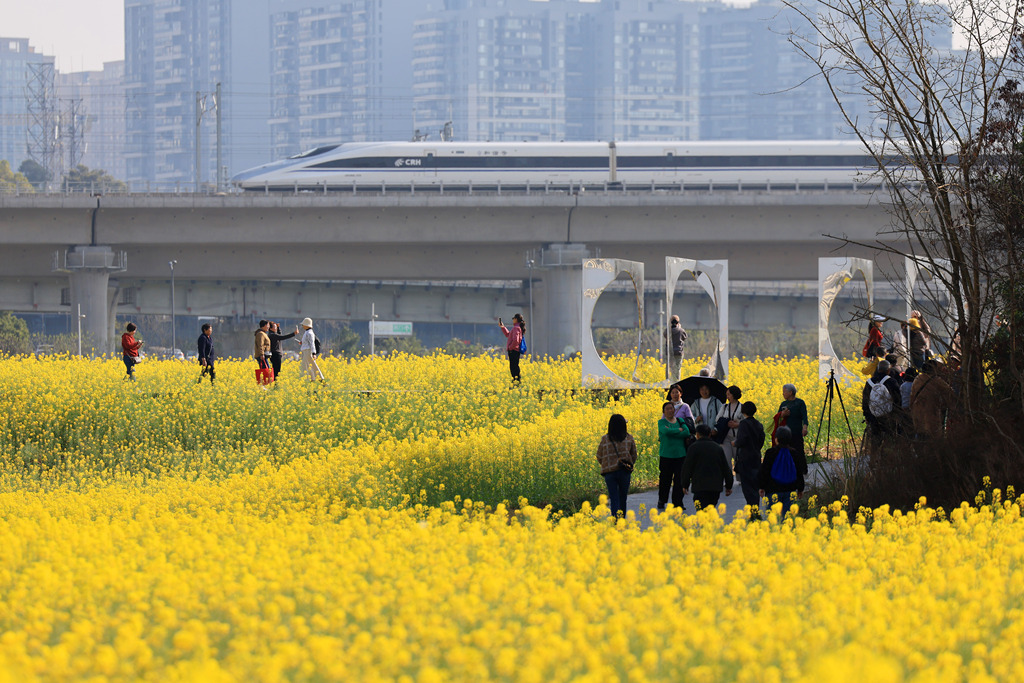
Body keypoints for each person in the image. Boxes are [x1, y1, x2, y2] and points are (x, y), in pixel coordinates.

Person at [681, 424, 733, 512]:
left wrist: (684, 484)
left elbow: (687, 468)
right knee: (710, 511)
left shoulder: (693, 448)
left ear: (697, 435)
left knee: (701, 512)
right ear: (710, 434)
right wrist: (729, 485)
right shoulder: (717, 448)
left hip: (699, 486)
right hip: (715, 487)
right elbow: (725, 468)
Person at [596, 414, 638, 518]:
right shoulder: (629, 438)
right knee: (623, 497)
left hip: (609, 473)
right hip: (624, 471)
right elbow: (634, 455)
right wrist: (628, 464)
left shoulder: (605, 439)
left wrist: (608, 464)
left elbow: (599, 455)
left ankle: (615, 519)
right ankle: (622, 519)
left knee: (614, 497)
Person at [758, 426, 807, 506]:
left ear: (776, 439)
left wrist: (761, 486)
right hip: (790, 490)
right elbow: (798, 472)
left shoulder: (770, 453)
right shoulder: (794, 453)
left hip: (773, 490)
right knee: (788, 517)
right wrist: (800, 488)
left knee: (773, 516)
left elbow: (764, 471)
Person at [862, 359, 902, 455]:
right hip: (889, 417)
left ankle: (873, 462)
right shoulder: (892, 382)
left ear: (878, 369)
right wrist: (896, 415)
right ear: (888, 370)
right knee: (889, 441)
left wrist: (868, 416)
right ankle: (886, 463)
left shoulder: (869, 383)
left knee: (875, 441)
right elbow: (898, 400)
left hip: (873, 417)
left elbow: (865, 402)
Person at [657, 401, 691, 511]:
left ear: (674, 410)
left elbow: (686, 432)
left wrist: (674, 431)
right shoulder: (661, 422)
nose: (670, 411)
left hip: (680, 455)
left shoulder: (680, 420)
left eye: (671, 408)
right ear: (663, 412)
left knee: (679, 480)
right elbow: (665, 432)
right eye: (667, 409)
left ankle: (678, 502)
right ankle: (662, 500)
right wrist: (678, 431)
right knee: (665, 480)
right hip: (666, 455)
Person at [733, 401, 765, 509]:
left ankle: (752, 508)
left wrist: (735, 443)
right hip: (756, 456)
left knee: (747, 486)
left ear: (743, 411)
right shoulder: (759, 424)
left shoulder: (743, 424)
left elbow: (742, 440)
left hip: (745, 458)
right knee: (755, 483)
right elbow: (762, 439)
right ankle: (755, 506)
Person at [910, 361, 955, 438]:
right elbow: (950, 392)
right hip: (931, 413)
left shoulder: (917, 379)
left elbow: (912, 396)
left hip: (917, 412)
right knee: (932, 436)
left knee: (921, 435)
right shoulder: (936, 380)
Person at [776, 384, 809, 463]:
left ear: (790, 392)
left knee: (799, 451)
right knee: (786, 452)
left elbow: (804, 417)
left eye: (784, 391)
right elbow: (777, 418)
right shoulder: (783, 404)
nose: (783, 393)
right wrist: (782, 415)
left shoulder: (800, 403)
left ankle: (802, 470)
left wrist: (805, 428)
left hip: (796, 432)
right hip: (785, 434)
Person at [714, 385, 743, 467]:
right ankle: (728, 479)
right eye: (727, 395)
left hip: (737, 437)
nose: (727, 397)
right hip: (725, 437)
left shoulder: (742, 407)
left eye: (729, 394)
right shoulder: (724, 407)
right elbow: (717, 419)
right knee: (726, 461)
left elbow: (747, 422)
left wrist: (737, 424)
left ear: (734, 394)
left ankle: (739, 479)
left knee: (738, 460)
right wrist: (726, 422)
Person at [499, 314, 526, 383]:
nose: (512, 319)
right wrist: (503, 327)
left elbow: (516, 340)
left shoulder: (516, 328)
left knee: (513, 368)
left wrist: (510, 348)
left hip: (513, 350)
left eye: (513, 318)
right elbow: (508, 334)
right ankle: (516, 382)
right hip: (515, 350)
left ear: (516, 319)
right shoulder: (517, 327)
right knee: (515, 367)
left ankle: (516, 382)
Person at [298, 317, 324, 381]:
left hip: (308, 352)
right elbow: (307, 342)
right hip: (306, 351)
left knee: (312, 366)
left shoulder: (309, 333)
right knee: (307, 366)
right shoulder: (307, 332)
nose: (302, 326)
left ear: (307, 325)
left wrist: (314, 353)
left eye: (303, 324)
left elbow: (312, 343)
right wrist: (302, 342)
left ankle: (321, 379)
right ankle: (312, 379)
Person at [666, 314, 687, 381]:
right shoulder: (681, 331)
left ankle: (669, 381)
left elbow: (664, 335)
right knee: (678, 368)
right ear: (678, 322)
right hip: (678, 352)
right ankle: (677, 381)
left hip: (670, 352)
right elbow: (684, 337)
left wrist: (669, 327)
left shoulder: (668, 331)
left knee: (670, 368)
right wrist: (679, 328)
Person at [254, 320, 273, 386]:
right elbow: (260, 344)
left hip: (264, 355)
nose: (268, 327)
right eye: (268, 325)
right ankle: (264, 386)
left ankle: (265, 385)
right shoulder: (260, 334)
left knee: (267, 371)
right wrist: (262, 354)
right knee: (266, 372)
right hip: (262, 356)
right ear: (264, 325)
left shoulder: (263, 333)